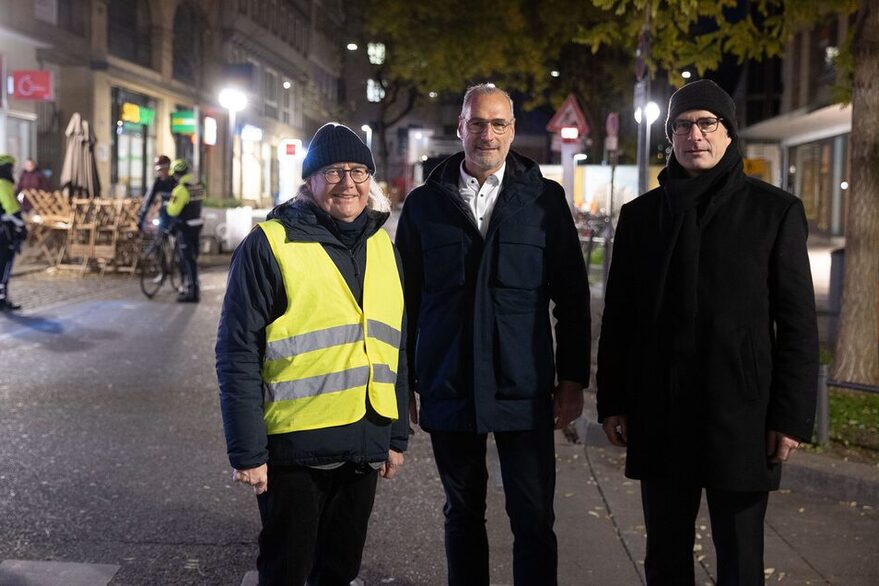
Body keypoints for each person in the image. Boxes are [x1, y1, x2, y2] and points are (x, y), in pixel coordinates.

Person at [596, 79, 818, 585]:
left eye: (706, 124)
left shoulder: (774, 212)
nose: (694, 135)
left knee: (741, 558)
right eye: (682, 125)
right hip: (661, 412)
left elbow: (799, 325)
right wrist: (612, 400)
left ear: (727, 133)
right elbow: (620, 319)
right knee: (666, 558)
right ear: (669, 136)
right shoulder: (640, 218)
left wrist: (790, 416)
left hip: (741, 416)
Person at [395, 84, 591, 585]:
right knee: (461, 514)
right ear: (459, 128)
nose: (488, 133)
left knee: (533, 519)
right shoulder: (423, 206)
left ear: (512, 130)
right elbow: (406, 303)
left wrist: (572, 380)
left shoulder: (545, 201)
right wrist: (408, 382)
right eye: (477, 123)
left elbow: (571, 297)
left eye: (499, 123)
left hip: (523, 388)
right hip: (449, 382)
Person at [216, 122, 409, 585]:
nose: (348, 183)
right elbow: (237, 352)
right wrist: (247, 451)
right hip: (294, 450)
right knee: (286, 570)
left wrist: (396, 435)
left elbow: (397, 343)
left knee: (339, 571)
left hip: (363, 441)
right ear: (310, 181)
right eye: (334, 171)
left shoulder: (382, 244)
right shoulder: (270, 244)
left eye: (359, 171)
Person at [166, 159, 203, 303]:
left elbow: (173, 210)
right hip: (196, 225)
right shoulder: (198, 186)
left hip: (185, 227)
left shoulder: (181, 189)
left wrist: (168, 205)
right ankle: (192, 288)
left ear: (176, 174)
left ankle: (192, 292)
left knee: (188, 261)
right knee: (192, 258)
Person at [0, 155, 27, 311]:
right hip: (5, 234)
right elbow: (12, 210)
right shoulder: (3, 184)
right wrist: (22, 226)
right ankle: (2, 300)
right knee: (4, 266)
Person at [137, 155, 177, 232]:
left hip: (176, 214)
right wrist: (141, 218)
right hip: (164, 213)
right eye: (160, 170)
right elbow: (148, 200)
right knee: (159, 233)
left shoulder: (175, 181)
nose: (162, 173)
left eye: (164, 169)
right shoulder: (157, 182)